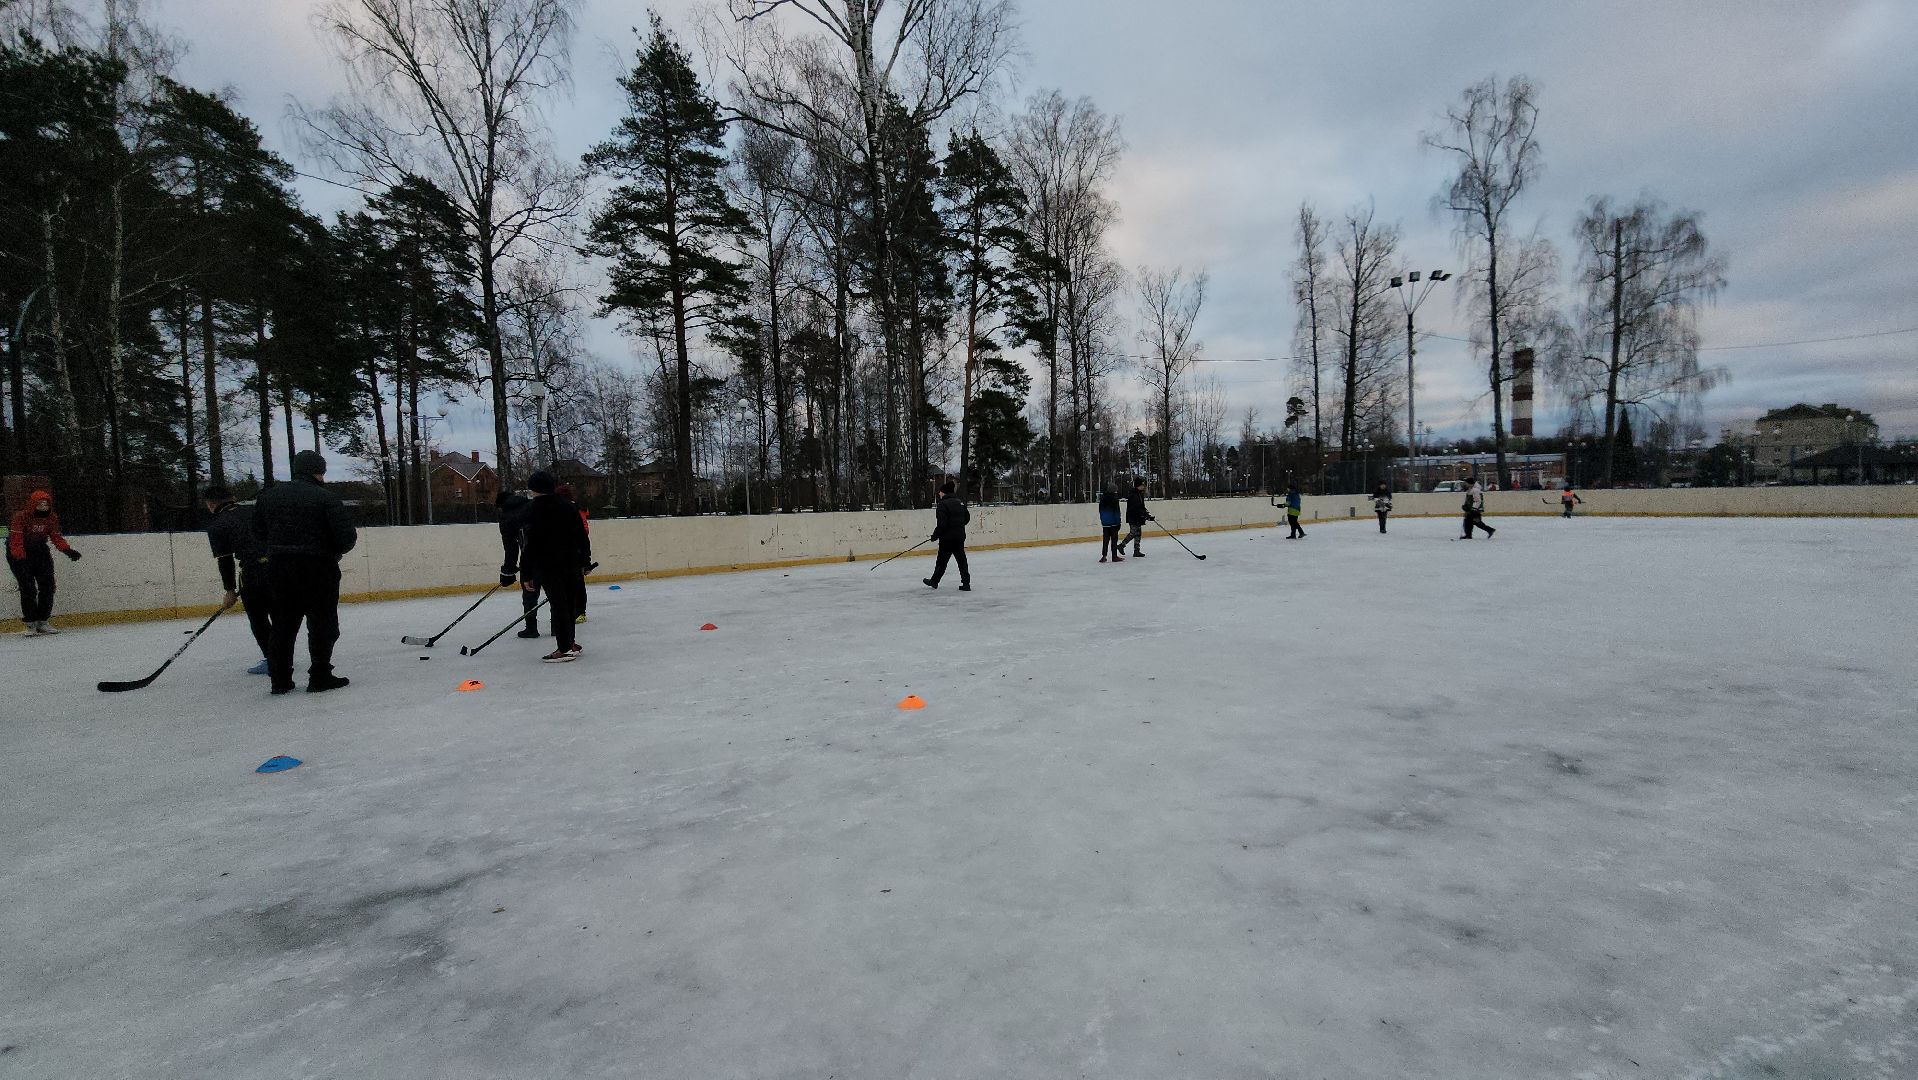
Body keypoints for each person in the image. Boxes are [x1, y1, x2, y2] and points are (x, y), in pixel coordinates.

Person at [252, 450, 357, 694]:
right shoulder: (327, 498)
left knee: (282, 625)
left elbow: (257, 533)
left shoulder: (268, 497)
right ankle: (320, 676)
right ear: (319, 472)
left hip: (279, 569)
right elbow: (346, 538)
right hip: (319, 569)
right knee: (322, 624)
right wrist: (332, 551)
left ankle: (280, 680)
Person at [519, 470, 592, 663]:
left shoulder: (535, 509)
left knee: (559, 605)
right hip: (571, 564)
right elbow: (582, 538)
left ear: (534, 489)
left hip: (550, 566)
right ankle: (570, 642)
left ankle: (564, 647)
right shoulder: (568, 507)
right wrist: (585, 561)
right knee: (568, 604)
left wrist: (526, 573)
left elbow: (531, 544)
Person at [203, 485, 272, 674]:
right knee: (280, 614)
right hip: (279, 567)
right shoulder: (255, 510)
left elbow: (225, 560)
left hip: (253, 574)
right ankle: (282, 654)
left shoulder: (217, 525)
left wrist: (230, 590)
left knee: (258, 618)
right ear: (232, 497)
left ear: (211, 505)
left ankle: (272, 658)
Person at [7, 489, 80, 635]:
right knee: (28, 588)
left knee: (48, 586)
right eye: (39, 504)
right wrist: (20, 558)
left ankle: (43, 621)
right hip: (19, 554)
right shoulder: (21, 517)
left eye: (46, 504)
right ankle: (30, 623)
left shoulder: (52, 518)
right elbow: (16, 540)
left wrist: (68, 550)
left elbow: (56, 536)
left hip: (40, 552)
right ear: (33, 504)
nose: (43, 507)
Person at [496, 488, 542, 640]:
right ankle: (557, 627)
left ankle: (531, 628)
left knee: (529, 592)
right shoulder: (532, 505)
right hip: (552, 556)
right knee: (554, 592)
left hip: (530, 558)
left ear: (500, 507)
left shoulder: (506, 517)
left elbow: (511, 549)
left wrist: (507, 573)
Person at [922, 479, 971, 591]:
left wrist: (935, 536)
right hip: (959, 537)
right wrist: (958, 526)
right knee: (962, 561)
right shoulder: (960, 502)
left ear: (944, 492)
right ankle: (966, 583)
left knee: (941, 562)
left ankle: (934, 581)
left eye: (940, 491)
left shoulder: (942, 505)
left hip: (947, 539)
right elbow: (967, 518)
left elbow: (942, 524)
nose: (939, 493)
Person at [556, 482, 589, 623]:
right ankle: (572, 611)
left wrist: (585, 559)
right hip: (570, 552)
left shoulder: (574, 510)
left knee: (577, 583)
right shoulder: (564, 509)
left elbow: (583, 533)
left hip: (575, 552)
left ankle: (580, 611)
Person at [1123, 477, 1153, 556]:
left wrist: (1148, 515)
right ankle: (1121, 545)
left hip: (1138, 517)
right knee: (1133, 533)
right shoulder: (1133, 495)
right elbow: (1136, 508)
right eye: (1142, 485)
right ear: (1138, 486)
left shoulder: (1140, 494)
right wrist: (1145, 516)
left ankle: (1136, 550)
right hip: (1133, 517)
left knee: (1138, 533)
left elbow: (1142, 507)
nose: (1143, 486)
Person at [1097, 486, 1125, 563]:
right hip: (1113, 523)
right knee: (1114, 540)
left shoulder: (1102, 499)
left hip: (1105, 523)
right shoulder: (1114, 499)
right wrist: (1118, 522)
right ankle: (1114, 556)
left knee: (1105, 540)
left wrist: (1103, 520)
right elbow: (1116, 512)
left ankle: (1104, 556)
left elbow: (1100, 511)